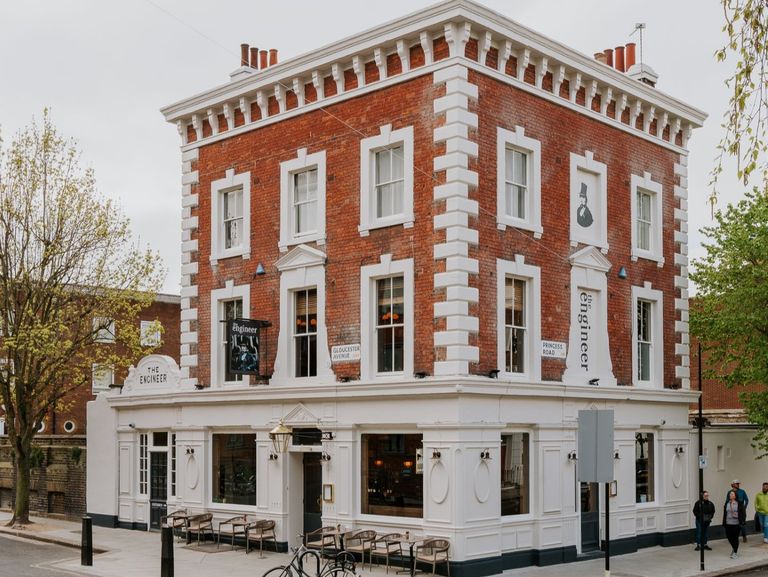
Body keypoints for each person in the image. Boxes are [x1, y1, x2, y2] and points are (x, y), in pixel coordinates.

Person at [723, 489, 746, 558]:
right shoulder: (727, 503)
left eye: (732, 494)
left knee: (735, 538)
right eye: (730, 494)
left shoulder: (739, 503)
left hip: (736, 523)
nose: (730, 495)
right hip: (728, 523)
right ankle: (734, 548)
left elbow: (743, 513)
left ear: (735, 496)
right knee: (729, 537)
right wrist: (724, 522)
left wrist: (742, 521)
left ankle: (735, 552)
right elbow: (725, 513)